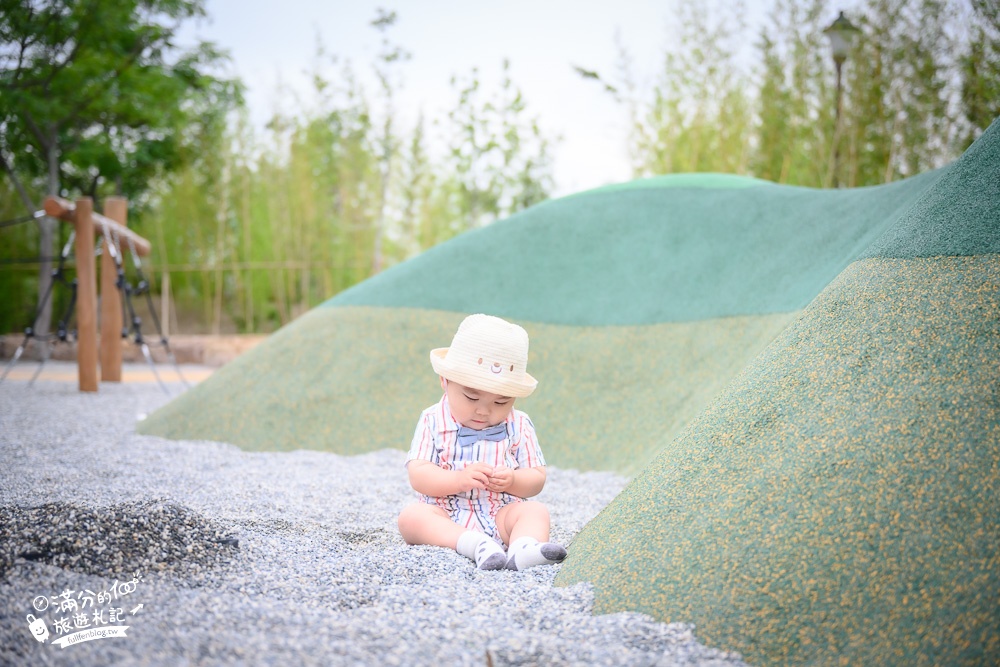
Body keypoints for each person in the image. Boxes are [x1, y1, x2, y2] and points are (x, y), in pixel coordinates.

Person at [397, 314, 568, 571]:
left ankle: (523, 548)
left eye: (501, 402)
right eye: (471, 397)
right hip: (446, 513)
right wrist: (458, 480)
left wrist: (513, 480)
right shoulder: (432, 419)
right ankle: (473, 544)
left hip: (500, 512)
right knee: (411, 518)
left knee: (536, 511)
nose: (483, 411)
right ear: (445, 381)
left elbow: (536, 477)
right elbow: (418, 475)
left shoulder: (519, 424)